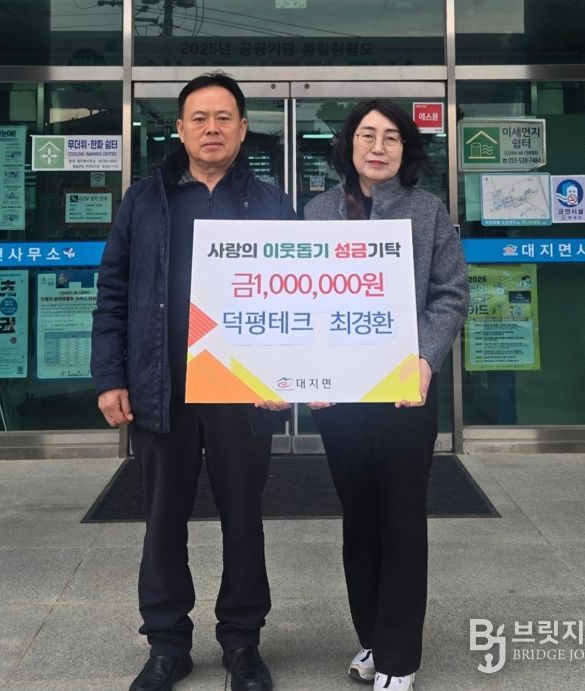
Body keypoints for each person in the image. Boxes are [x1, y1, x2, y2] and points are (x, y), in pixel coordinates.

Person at [91, 72, 294, 691]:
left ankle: (242, 643)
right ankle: (167, 644)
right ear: (179, 128)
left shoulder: (270, 203)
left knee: (244, 518)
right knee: (163, 519)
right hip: (161, 386)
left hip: (241, 390)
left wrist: (286, 374)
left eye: (224, 117)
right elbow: (112, 292)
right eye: (199, 118)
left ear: (243, 128)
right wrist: (110, 377)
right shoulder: (143, 200)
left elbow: (296, 299)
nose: (212, 128)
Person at [303, 100, 469, 691]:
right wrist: (305, 373)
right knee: (359, 516)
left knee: (401, 518)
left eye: (392, 137)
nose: (378, 147)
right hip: (340, 396)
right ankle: (373, 636)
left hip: (405, 391)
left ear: (406, 150)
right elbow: (299, 300)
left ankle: (400, 655)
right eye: (367, 135)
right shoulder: (317, 213)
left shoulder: (427, 211)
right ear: (349, 144)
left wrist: (425, 360)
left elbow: (451, 294)